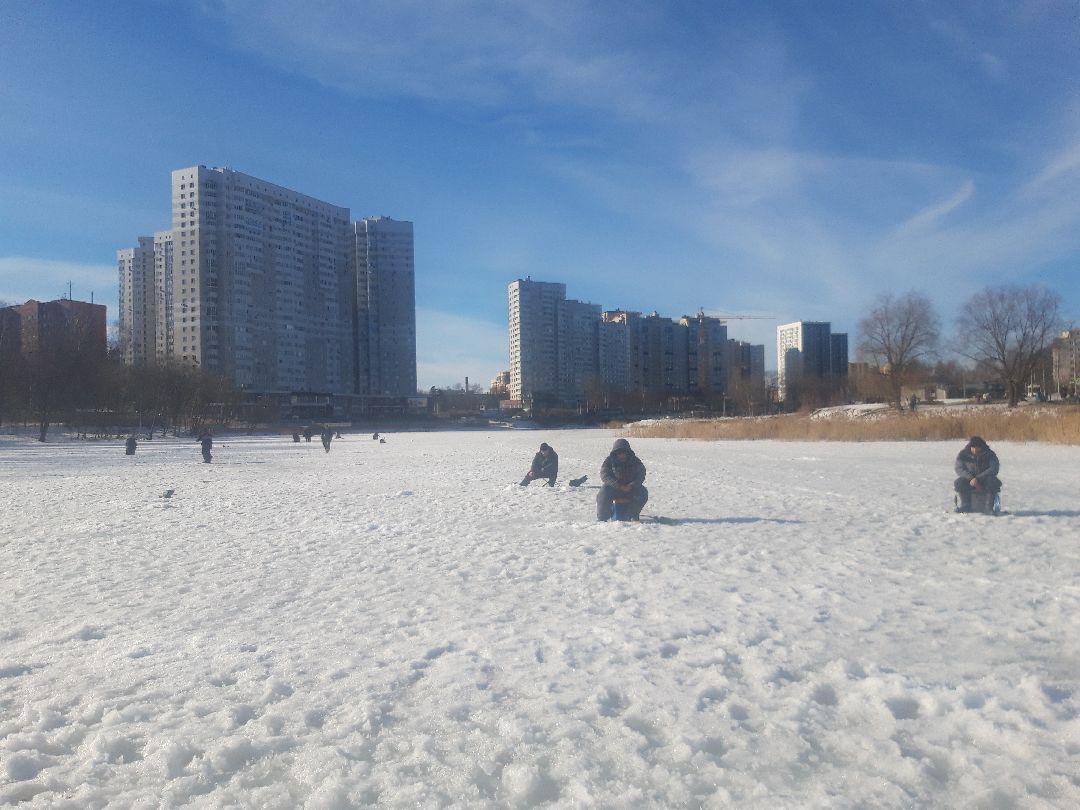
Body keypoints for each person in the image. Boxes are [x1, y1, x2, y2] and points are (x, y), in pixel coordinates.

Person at [597, 438, 648, 521]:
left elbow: (641, 474)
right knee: (603, 492)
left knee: (643, 492)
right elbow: (604, 475)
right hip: (614, 488)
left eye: (624, 452)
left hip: (631, 488)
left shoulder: (635, 461)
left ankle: (632, 515)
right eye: (619, 452)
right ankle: (602, 518)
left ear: (628, 452)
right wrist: (618, 485)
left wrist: (632, 485)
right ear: (615, 453)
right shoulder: (609, 460)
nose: (622, 455)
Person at [954, 436, 1001, 513]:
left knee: (992, 482)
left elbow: (994, 468)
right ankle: (966, 506)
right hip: (969, 479)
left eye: (977, 447)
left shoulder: (990, 454)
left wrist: (978, 478)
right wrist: (971, 478)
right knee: (959, 482)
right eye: (973, 447)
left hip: (985, 478)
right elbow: (959, 468)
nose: (975, 449)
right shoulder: (963, 454)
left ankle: (989, 507)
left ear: (981, 447)